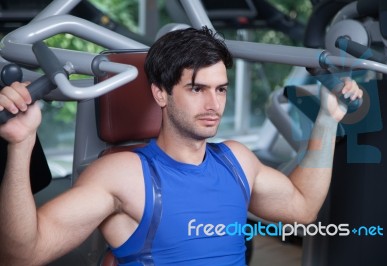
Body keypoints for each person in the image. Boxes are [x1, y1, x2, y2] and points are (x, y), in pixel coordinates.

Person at [0, 27, 362, 265]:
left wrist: (326, 121)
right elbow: (22, 255)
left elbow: (302, 208)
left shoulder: (236, 160)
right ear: (160, 93)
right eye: (196, 89)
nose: (214, 104)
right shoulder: (124, 174)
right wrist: (22, 145)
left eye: (220, 89)